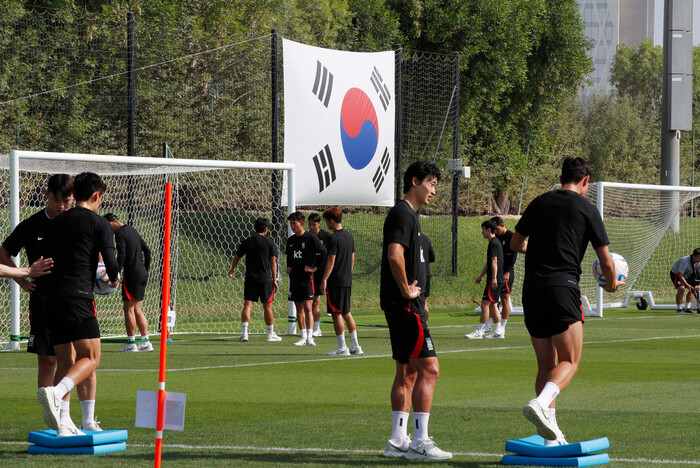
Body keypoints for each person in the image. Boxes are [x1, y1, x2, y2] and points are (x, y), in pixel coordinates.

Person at [510, 157, 622, 446]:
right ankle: (540, 404)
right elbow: (606, 261)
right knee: (570, 361)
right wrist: (611, 284)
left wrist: (537, 251)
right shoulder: (587, 208)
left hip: (532, 290)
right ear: (585, 181)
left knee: (546, 365)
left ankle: (551, 437)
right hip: (562, 288)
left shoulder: (539, 202)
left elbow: (515, 244)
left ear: (561, 177)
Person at [0, 174, 89, 435]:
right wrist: (22, 279)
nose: (62, 205)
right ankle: (52, 418)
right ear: (47, 195)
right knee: (47, 361)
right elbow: (4, 252)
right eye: (57, 200)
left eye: (67, 201)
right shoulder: (32, 225)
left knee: (70, 359)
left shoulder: (75, 222)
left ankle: (65, 418)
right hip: (42, 301)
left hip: (72, 299)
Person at [37, 172, 119, 435]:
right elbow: (111, 265)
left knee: (65, 362)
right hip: (79, 297)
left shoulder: (56, 222)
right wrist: (113, 278)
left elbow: (45, 260)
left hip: (51, 298)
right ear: (96, 196)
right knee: (91, 358)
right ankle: (56, 391)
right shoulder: (99, 223)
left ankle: (63, 424)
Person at [380, 161, 451, 460]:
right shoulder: (402, 213)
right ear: (414, 181)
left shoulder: (410, 216)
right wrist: (407, 291)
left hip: (407, 306)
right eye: (431, 183)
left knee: (407, 372)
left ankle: (397, 440)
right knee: (430, 369)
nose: (434, 190)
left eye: (436, 184)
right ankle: (420, 442)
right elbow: (394, 255)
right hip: (405, 306)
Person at [104, 214, 154, 352]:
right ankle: (145, 342)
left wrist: (116, 274)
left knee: (129, 309)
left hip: (132, 274)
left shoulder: (120, 234)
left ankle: (131, 344)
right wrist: (146, 270)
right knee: (137, 309)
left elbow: (122, 255)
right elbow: (148, 251)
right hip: (142, 273)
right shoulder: (132, 230)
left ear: (110, 224)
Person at [228, 217, 282, 342]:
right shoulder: (270, 242)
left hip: (250, 279)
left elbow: (237, 257)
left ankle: (244, 333)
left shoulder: (248, 241)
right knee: (267, 307)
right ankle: (270, 334)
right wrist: (275, 279)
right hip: (265, 279)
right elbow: (273, 262)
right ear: (266, 229)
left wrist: (232, 269)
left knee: (247, 305)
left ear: (254, 228)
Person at [320, 207, 362, 356]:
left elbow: (331, 262)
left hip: (336, 282)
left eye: (326, 221)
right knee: (347, 313)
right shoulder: (349, 236)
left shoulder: (333, 238)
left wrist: (324, 279)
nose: (326, 224)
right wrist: (347, 273)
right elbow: (352, 259)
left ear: (331, 221)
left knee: (336, 313)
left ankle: (342, 347)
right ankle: (356, 346)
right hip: (346, 280)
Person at [286, 211, 326, 346]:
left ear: (301, 223)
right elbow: (289, 257)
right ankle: (303, 337)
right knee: (298, 308)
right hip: (294, 278)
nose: (292, 226)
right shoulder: (290, 241)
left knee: (309, 306)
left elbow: (324, 252)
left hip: (307, 278)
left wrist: (315, 268)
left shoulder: (311, 238)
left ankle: (310, 337)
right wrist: (289, 267)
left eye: (294, 223)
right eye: (291, 223)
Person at [482, 216, 522, 336]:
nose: (495, 230)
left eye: (497, 228)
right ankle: (489, 326)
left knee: (504, 298)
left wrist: (508, 272)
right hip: (496, 272)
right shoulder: (495, 238)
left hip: (506, 272)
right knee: (492, 299)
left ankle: (502, 327)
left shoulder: (511, 237)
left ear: (502, 225)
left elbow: (514, 255)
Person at [466, 219, 505, 339]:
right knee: (493, 305)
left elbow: (494, 261)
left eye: (483, 230)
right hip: (496, 279)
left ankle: (479, 331)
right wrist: (481, 276)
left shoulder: (493, 242)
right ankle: (499, 331)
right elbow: (489, 263)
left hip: (494, 280)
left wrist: (493, 278)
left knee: (484, 305)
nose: (482, 232)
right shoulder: (495, 242)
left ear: (488, 230)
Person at [307, 212, 330, 336]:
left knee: (316, 300)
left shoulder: (326, 236)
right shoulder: (306, 236)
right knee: (307, 301)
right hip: (308, 271)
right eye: (309, 224)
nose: (311, 227)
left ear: (319, 223)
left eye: (313, 225)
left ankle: (317, 328)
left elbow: (328, 255)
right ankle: (308, 329)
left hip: (321, 272)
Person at [669, 249, 700, 313]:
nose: (699, 259)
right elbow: (679, 274)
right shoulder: (685, 261)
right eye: (698, 257)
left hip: (689, 274)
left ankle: (687, 308)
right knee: (681, 288)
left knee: (693, 288)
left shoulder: (698, 262)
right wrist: (687, 285)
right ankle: (679, 308)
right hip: (676, 274)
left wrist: (698, 285)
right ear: (694, 256)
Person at [418, 234, 435, 322]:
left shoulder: (408, 237)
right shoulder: (426, 239)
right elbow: (432, 258)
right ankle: (425, 327)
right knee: (424, 302)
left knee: (413, 303)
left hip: (415, 275)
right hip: (426, 274)